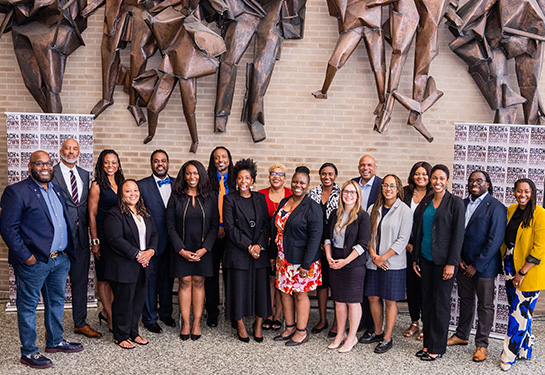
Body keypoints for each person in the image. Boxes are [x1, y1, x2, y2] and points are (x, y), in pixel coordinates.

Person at [1, 151, 83, 369]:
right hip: (34, 262)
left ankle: (55, 340)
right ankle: (29, 351)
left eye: (48, 163)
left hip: (59, 260)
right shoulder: (16, 192)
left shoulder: (55, 189)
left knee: (56, 301)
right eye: (39, 164)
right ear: (30, 167)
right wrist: (27, 257)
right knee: (28, 306)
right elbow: (8, 229)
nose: (45, 167)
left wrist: (65, 252)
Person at [446, 170, 506, 362]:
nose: (474, 183)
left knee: (485, 306)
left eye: (479, 181)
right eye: (471, 180)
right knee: (465, 301)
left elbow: (495, 240)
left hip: (484, 267)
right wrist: (460, 259)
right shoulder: (461, 204)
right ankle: (462, 335)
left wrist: (476, 265)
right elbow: (456, 235)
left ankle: (481, 344)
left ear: (487, 184)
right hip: (463, 263)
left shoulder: (496, 207)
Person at [412, 164, 465, 361]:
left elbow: (458, 236)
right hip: (425, 260)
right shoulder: (426, 202)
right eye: (434, 178)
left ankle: (437, 347)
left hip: (444, 263)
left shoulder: (455, 203)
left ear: (447, 180)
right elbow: (419, 231)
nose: (437, 182)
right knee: (426, 303)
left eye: (441, 178)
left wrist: (452, 263)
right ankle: (428, 345)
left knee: (440, 304)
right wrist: (416, 257)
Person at [51, 139, 101, 338]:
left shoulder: (84, 174)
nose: (71, 152)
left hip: (80, 238)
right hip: (59, 240)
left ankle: (80, 323)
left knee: (80, 283)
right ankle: (54, 329)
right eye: (67, 149)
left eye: (74, 149)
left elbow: (85, 207)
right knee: (55, 285)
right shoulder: (51, 173)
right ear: (60, 151)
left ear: (79, 152)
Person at [271, 166, 323, 346]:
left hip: (302, 261)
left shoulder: (312, 207)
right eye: (295, 182)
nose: (297, 185)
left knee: (300, 295)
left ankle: (302, 331)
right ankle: (290, 327)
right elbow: (276, 230)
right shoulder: (284, 201)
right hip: (283, 259)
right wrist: (273, 255)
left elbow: (315, 238)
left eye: (302, 182)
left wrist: (306, 265)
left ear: (308, 185)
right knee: (285, 292)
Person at [167, 161, 218, 340]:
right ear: (183, 176)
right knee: (185, 282)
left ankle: (196, 322)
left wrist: (205, 249)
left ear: (201, 175)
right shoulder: (176, 197)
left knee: (198, 282)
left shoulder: (210, 197)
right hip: (181, 249)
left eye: (195, 173)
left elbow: (214, 226)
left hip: (203, 249)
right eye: (188, 174)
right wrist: (180, 250)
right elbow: (170, 226)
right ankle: (186, 323)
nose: (192, 177)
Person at [104, 179, 157, 349]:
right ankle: (120, 336)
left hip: (143, 264)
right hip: (125, 265)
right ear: (121, 194)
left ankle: (134, 332)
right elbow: (115, 239)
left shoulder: (144, 213)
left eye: (135, 190)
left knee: (137, 301)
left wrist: (151, 251)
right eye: (128, 191)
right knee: (123, 302)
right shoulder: (115, 214)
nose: (132, 194)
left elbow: (155, 234)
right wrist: (137, 254)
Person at [363, 174, 412, 354]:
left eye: (392, 186)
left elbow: (402, 239)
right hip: (373, 261)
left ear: (398, 189)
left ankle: (387, 338)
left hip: (393, 263)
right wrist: (374, 255)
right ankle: (377, 331)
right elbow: (367, 235)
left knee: (390, 301)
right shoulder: (372, 209)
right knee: (373, 297)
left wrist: (383, 257)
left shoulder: (404, 210)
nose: (388, 189)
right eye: (385, 185)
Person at [223, 159, 271, 342]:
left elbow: (266, 224)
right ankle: (240, 324)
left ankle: (258, 324)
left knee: (261, 290)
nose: (244, 181)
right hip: (238, 252)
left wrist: (258, 245)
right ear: (236, 179)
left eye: (247, 178)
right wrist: (249, 246)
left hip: (259, 253)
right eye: (240, 178)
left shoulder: (260, 198)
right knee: (238, 289)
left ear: (253, 180)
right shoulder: (229, 199)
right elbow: (229, 227)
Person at [500, 178, 545, 371]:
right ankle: (524, 349)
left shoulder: (540, 213)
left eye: (526, 191)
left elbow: (540, 247)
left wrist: (522, 272)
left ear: (532, 192)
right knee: (520, 311)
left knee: (518, 314)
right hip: (510, 264)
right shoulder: (511, 210)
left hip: (528, 270)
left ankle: (508, 355)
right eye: (519, 191)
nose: (522, 195)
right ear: (514, 192)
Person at [325, 180, 370, 353]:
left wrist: (345, 261)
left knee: (353, 302)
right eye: (345, 191)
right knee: (339, 302)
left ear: (357, 196)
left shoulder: (363, 216)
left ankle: (352, 336)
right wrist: (329, 257)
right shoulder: (335, 214)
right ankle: (340, 334)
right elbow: (328, 239)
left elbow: (362, 245)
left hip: (353, 266)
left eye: (352, 192)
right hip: (335, 263)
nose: (348, 195)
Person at [138, 150, 176, 333]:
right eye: (156, 161)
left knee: (168, 280)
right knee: (150, 281)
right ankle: (150, 318)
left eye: (163, 161)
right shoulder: (142, 186)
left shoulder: (178, 184)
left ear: (168, 163)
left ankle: (166, 313)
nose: (160, 164)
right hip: (151, 242)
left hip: (174, 243)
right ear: (151, 163)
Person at [88, 149, 124, 332]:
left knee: (116, 277)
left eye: (114, 162)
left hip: (119, 238)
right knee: (103, 278)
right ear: (101, 165)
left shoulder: (122, 183)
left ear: (118, 165)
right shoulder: (97, 185)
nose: (111, 166)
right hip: (102, 237)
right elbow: (92, 214)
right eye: (107, 162)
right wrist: (95, 241)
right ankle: (109, 316)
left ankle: (108, 311)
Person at [352, 154, 383, 339]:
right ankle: (360, 321)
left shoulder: (382, 185)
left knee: (372, 286)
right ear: (358, 167)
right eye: (362, 165)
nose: (366, 168)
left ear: (375, 167)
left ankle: (373, 325)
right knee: (358, 283)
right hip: (354, 240)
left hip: (373, 239)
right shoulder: (352, 184)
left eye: (369, 165)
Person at [258, 163, 292, 331]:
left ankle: (278, 315)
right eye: (273, 173)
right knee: (269, 280)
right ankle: (267, 314)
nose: (276, 176)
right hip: (264, 245)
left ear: (285, 178)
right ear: (269, 176)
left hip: (285, 247)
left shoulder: (292, 195)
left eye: (280, 174)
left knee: (281, 282)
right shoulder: (260, 195)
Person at [308, 162, 341, 335]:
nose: (327, 177)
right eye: (323, 174)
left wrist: (328, 242)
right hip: (315, 244)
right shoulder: (312, 193)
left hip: (335, 245)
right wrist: (318, 242)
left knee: (335, 285)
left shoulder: (342, 193)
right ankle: (322, 319)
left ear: (335, 176)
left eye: (330, 174)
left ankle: (337, 321)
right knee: (321, 284)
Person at [205, 146, 236, 327]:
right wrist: (216, 227)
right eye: (217, 158)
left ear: (229, 159)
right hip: (211, 234)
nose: (220, 160)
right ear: (213, 161)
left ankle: (233, 313)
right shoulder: (206, 181)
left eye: (224, 156)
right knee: (211, 274)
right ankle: (212, 312)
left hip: (232, 235)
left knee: (231, 274)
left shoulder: (235, 181)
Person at [402, 161, 432, 340]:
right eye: (417, 174)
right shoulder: (404, 192)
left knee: (425, 288)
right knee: (411, 287)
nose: (421, 177)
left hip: (426, 248)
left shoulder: (435, 194)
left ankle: (426, 325)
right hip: (406, 248)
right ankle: (414, 321)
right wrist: (405, 243)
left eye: (424, 174)